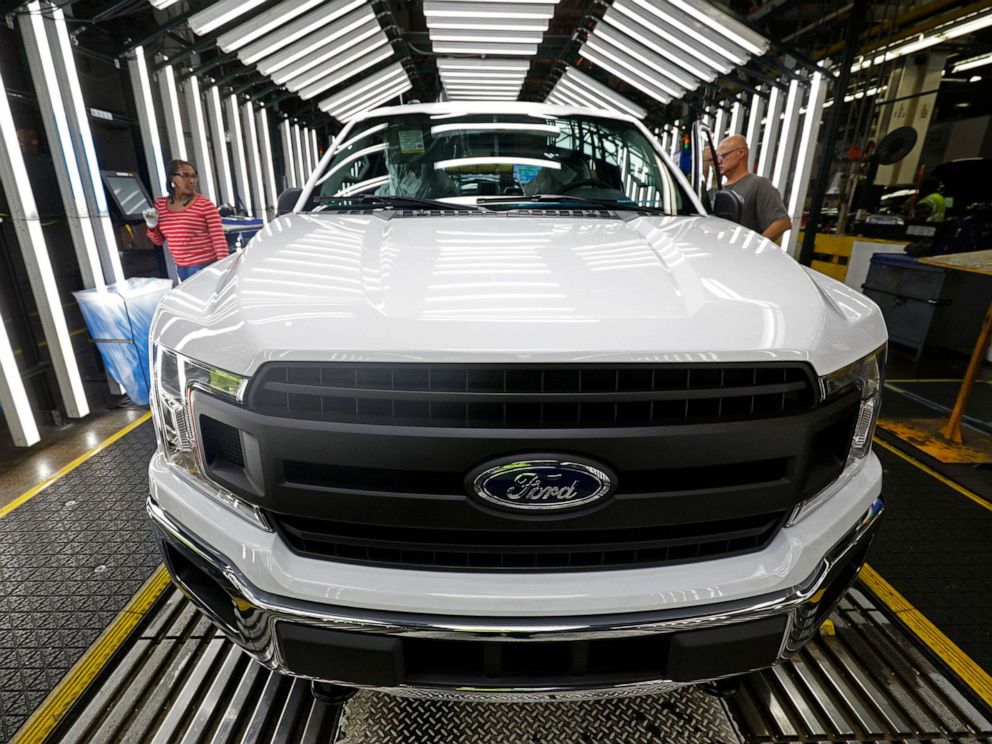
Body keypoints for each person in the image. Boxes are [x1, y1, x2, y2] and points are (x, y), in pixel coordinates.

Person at [143, 159, 228, 282]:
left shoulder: (204, 205)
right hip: (182, 268)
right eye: (185, 176)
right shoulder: (161, 205)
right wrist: (151, 226)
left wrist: (223, 269)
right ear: (172, 178)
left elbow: (219, 240)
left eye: (194, 176)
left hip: (205, 266)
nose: (192, 181)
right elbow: (159, 241)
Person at [716, 135, 792, 242]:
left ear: (740, 153)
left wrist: (754, 247)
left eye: (722, 155)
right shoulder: (720, 190)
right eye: (716, 157)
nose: (718, 161)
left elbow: (782, 222)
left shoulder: (758, 184)